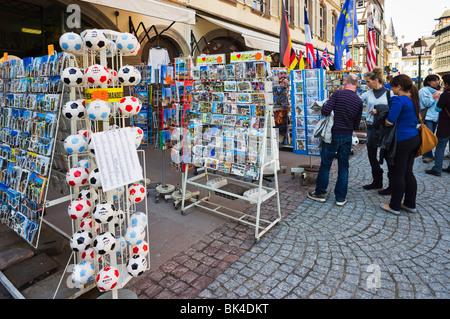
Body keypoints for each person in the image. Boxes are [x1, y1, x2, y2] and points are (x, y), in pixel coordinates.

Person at [308, 74, 363, 206]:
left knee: (326, 164)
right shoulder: (359, 101)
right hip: (347, 136)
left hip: (332, 134)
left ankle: (320, 193)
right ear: (356, 84)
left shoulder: (337, 95)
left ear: (345, 83)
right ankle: (340, 198)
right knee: (344, 166)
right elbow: (357, 124)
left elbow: (326, 110)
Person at [380, 74, 421, 215]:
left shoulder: (399, 100)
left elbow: (390, 121)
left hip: (401, 141)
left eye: (392, 86)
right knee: (408, 172)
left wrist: (384, 120)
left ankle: (394, 206)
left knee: (398, 174)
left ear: (399, 87)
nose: (391, 88)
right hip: (413, 139)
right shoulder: (413, 99)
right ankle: (410, 204)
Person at [360, 67, 391, 191]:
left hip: (386, 127)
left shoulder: (390, 93)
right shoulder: (367, 94)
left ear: (376, 80)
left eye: (368, 82)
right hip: (372, 126)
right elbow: (358, 101)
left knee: (388, 155)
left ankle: (391, 184)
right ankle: (377, 180)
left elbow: (394, 108)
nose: (366, 84)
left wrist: (379, 110)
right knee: (371, 154)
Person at [425, 73, 450, 176]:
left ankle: (437, 169)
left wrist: (436, 100)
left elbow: (437, 108)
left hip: (445, 125)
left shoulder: (445, 95)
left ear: (447, 84)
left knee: (440, 147)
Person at [419, 74, 441, 163]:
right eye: (435, 80)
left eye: (438, 80)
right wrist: (435, 98)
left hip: (435, 116)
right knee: (427, 136)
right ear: (428, 82)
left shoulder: (437, 91)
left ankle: (429, 154)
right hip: (427, 117)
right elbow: (426, 103)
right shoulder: (423, 90)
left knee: (432, 136)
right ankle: (427, 155)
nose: (437, 82)